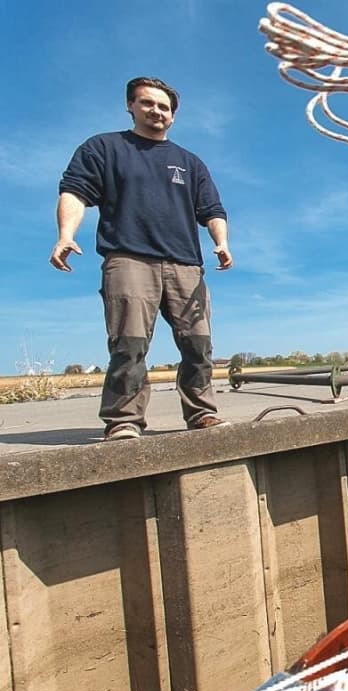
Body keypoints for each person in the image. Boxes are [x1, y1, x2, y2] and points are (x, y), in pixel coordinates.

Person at [50, 76, 234, 440]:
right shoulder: (104, 148)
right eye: (148, 103)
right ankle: (124, 420)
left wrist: (222, 241)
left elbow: (212, 208)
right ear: (131, 106)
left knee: (199, 344)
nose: (157, 111)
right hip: (129, 259)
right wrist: (65, 235)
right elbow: (75, 191)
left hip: (185, 265)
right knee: (129, 343)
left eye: (164, 107)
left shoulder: (189, 162)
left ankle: (201, 414)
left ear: (173, 116)